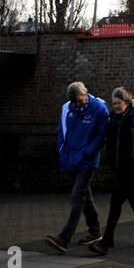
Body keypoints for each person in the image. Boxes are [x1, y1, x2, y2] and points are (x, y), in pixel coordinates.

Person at [89, 87, 134, 255]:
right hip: (119, 167)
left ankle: (105, 243)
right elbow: (110, 141)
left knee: (115, 203)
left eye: (119, 103)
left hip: (132, 168)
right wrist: (110, 158)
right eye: (114, 103)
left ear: (126, 102)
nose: (116, 106)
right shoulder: (113, 119)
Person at [47, 81, 110, 252]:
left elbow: (102, 135)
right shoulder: (67, 108)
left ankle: (63, 239)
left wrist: (87, 152)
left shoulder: (99, 109)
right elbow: (61, 131)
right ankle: (95, 231)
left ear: (86, 94)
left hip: (87, 161)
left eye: (79, 101)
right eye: (74, 102)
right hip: (70, 159)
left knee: (76, 196)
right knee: (84, 196)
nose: (76, 105)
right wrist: (62, 151)